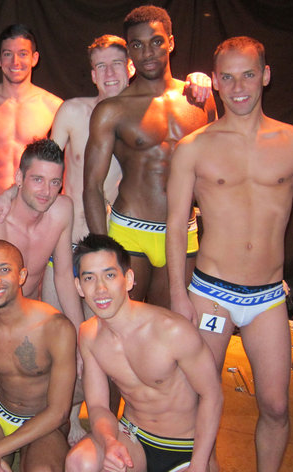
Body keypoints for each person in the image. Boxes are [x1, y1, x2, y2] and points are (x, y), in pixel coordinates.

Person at [166, 36, 293, 472]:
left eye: (248, 75)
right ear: (215, 81)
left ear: (265, 76)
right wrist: (178, 293)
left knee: (276, 405)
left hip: (268, 295)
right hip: (210, 293)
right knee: (200, 400)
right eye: (228, 77)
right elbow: (176, 223)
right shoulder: (194, 147)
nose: (238, 87)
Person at [83, 5, 216, 308]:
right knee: (123, 325)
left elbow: (217, 174)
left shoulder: (200, 101)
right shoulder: (112, 110)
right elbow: (91, 186)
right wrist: (103, 250)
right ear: (129, 50)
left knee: (172, 325)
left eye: (156, 42)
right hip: (130, 231)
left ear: (171, 42)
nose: (147, 53)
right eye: (137, 45)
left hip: (183, 231)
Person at [66, 234, 222, 472]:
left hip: (185, 446)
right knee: (80, 462)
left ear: (128, 279)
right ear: (79, 287)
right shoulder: (89, 335)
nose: (100, 288)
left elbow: (212, 396)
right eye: (89, 278)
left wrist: (200, 463)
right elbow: (97, 406)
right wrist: (109, 442)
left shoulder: (172, 330)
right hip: (133, 437)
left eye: (110, 275)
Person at [0, 240, 76, 472]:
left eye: (4, 270)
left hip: (44, 421)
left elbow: (59, 411)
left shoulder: (56, 327)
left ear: (21, 276)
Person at [0, 138, 84, 331]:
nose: (46, 191)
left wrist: (81, 332)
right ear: (19, 178)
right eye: (38, 179)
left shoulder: (62, 211)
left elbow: (63, 275)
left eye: (54, 182)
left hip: (32, 314)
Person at [0, 24, 63, 203]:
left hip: (33, 207)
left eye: (22, 54)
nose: (15, 62)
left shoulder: (53, 107)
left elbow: (66, 167)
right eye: (8, 54)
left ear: (34, 58)